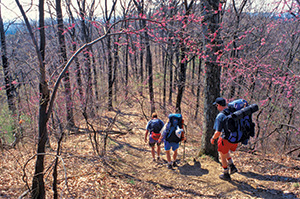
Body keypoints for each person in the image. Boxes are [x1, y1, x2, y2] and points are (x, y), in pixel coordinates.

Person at [211, 97, 238, 181]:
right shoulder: (233, 111)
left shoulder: (220, 116)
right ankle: (232, 165)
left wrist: (212, 138)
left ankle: (226, 173)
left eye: (216, 106)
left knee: (222, 155)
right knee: (225, 152)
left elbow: (217, 133)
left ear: (218, 105)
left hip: (225, 139)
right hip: (235, 138)